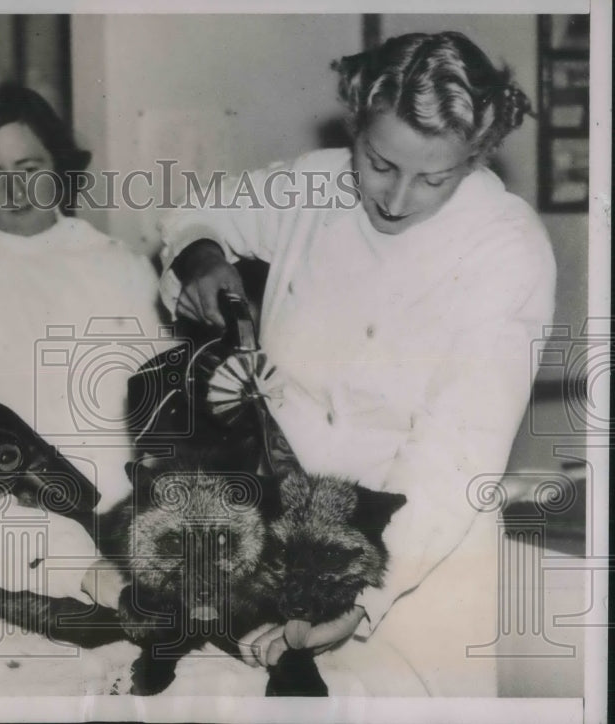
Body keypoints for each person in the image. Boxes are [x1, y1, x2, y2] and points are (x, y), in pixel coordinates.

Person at [158, 31, 556, 696]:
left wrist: (362, 598)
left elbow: (457, 455)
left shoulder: (505, 248)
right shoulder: (313, 185)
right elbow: (194, 215)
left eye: (435, 177)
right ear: (357, 125)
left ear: (477, 153)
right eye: (378, 163)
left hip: (418, 571)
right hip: (280, 546)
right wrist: (201, 256)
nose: (396, 200)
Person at [0, 84, 166, 695]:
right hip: (7, 551)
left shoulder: (120, 266)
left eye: (30, 168)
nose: (16, 191)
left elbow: (159, 422)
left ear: (60, 166)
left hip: (124, 532)